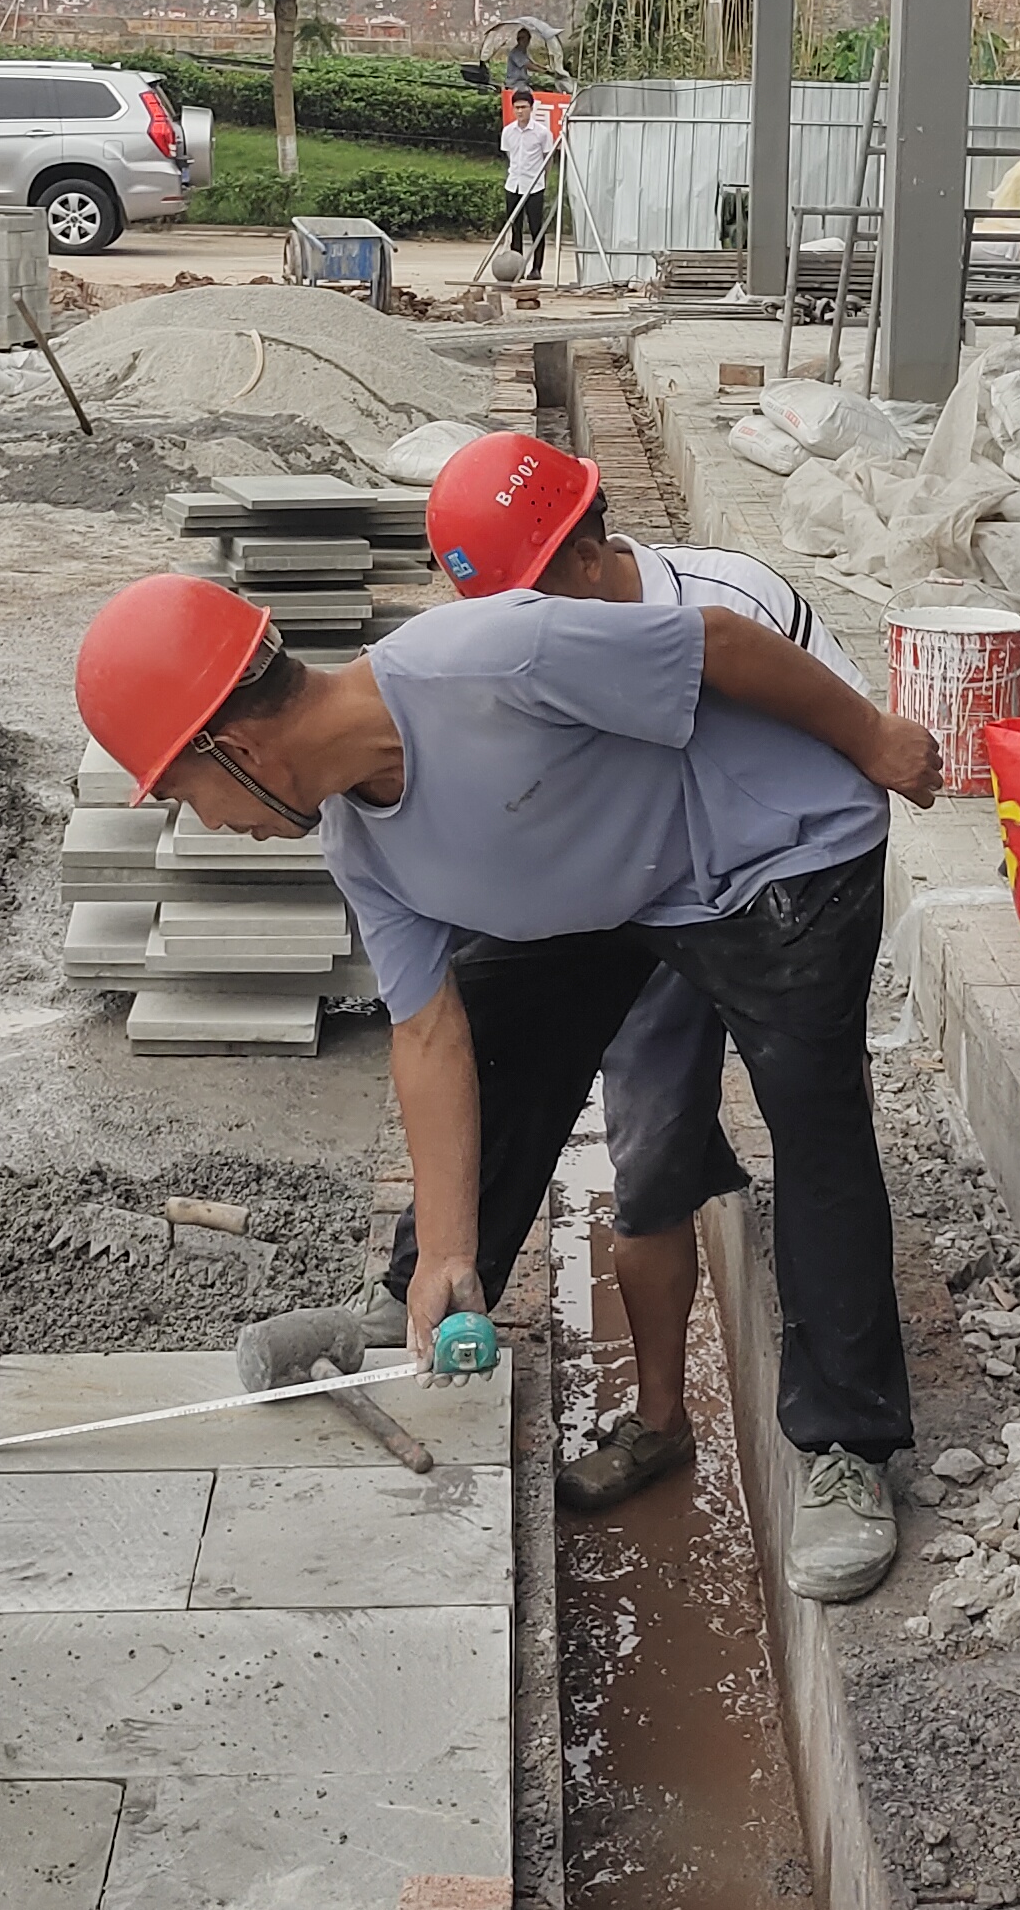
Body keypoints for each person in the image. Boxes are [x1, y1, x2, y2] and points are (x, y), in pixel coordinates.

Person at [74, 565, 939, 1599]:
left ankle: (846, 1445)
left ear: (237, 748)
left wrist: (874, 738)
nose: (212, 824)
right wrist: (447, 1247)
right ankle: (419, 1294)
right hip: (612, 890)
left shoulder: (488, 662)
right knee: (492, 1029)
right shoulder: (363, 847)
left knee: (814, 1122)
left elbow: (720, 641)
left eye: (186, 796)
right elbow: (427, 1033)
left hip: (772, 859)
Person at [332, 430, 869, 1513]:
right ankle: (429, 1293)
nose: (511, 629)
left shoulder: (728, 602)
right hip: (614, 889)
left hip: (747, 888)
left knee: (751, 1140)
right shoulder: (509, 648)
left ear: (588, 553)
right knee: (541, 1067)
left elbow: (831, 761)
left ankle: (824, 1442)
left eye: (527, 600)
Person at [498, 81, 565, 279]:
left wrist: (542, 180)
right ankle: (516, 267)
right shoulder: (508, 131)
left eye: (523, 107)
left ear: (531, 108)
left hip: (534, 186)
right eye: (517, 107)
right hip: (513, 184)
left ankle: (536, 268)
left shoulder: (542, 132)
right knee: (515, 227)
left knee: (536, 228)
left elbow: (547, 158)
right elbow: (509, 155)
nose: (520, 111)